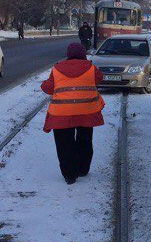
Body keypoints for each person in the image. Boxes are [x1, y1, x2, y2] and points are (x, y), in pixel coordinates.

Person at [41, 42, 105, 184]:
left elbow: (48, 88)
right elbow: (99, 78)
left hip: (61, 113)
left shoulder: (57, 68)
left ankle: (70, 175)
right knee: (85, 140)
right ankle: (82, 169)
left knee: (64, 144)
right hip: (86, 111)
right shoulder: (90, 67)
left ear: (68, 55)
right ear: (83, 54)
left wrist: (44, 84)